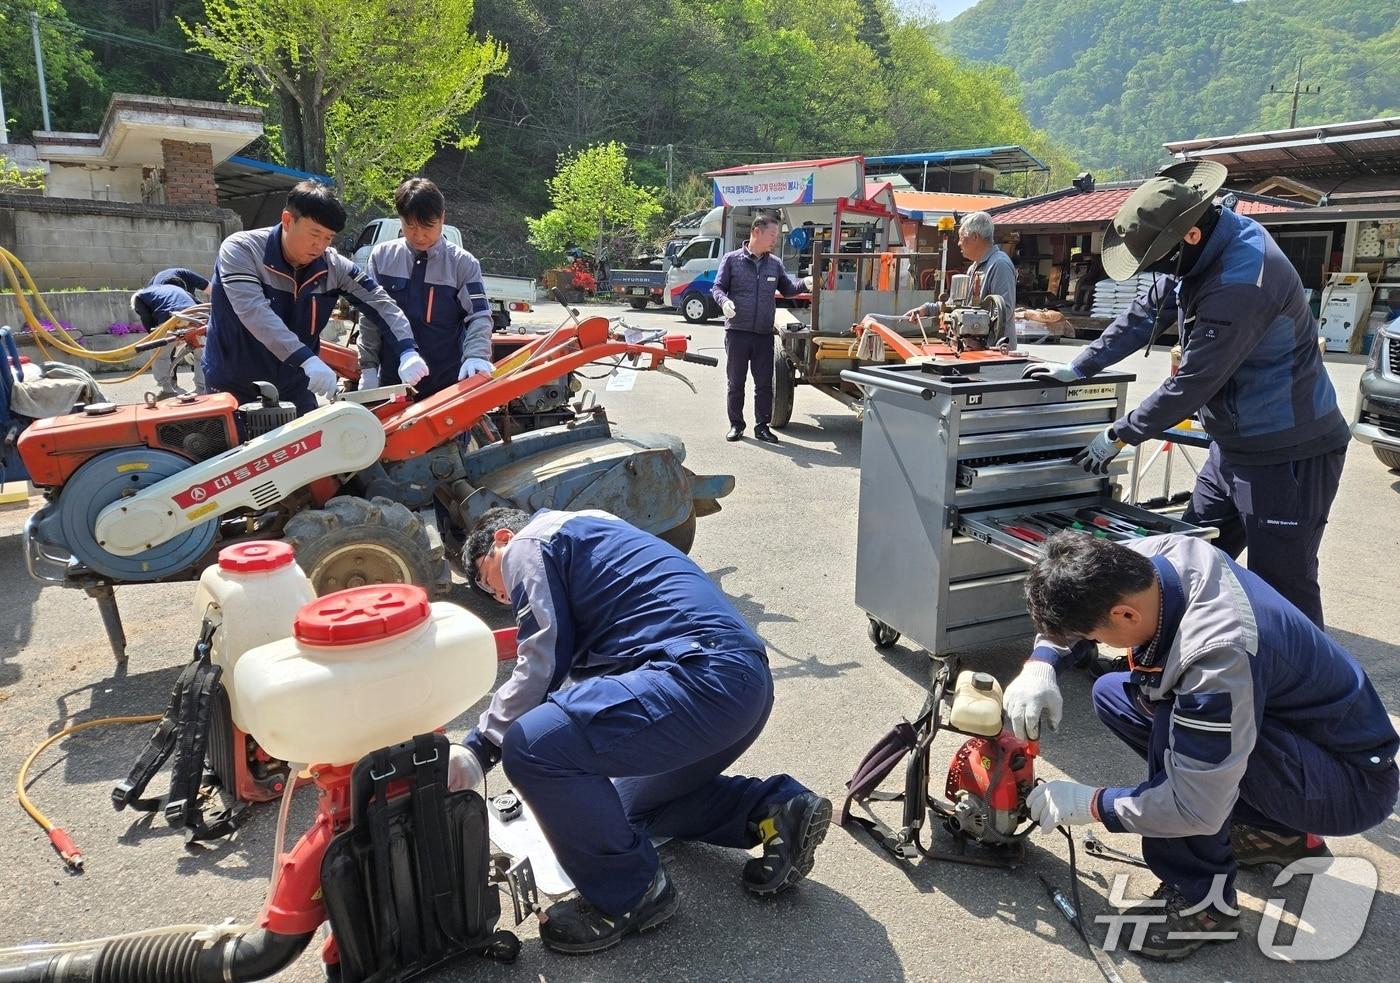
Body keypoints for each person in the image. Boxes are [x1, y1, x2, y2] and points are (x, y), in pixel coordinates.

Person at [1002, 531, 1397, 962]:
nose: (1092, 642)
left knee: (1172, 721)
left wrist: (1093, 804)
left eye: (1093, 634)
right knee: (1115, 694)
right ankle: (1276, 832)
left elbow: (1194, 806)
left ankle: (1202, 905)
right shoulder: (1149, 557)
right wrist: (1041, 662)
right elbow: (1082, 596)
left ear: (1125, 614)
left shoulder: (1216, 659)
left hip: (1347, 786)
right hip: (1309, 743)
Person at [452, 507, 830, 955]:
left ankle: (630, 895)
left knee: (531, 747)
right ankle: (772, 808)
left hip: (699, 678)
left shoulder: (530, 543)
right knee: (630, 810)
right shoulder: (595, 531)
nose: (498, 596)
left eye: (485, 579)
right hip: (741, 685)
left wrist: (480, 747)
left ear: (501, 537)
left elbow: (542, 660)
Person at [1024, 160, 1349, 628]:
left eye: (1159, 261)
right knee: (1191, 555)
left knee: (1283, 581)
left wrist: (1119, 434)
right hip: (1233, 444)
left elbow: (1193, 382)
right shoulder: (1196, 246)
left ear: (1190, 237)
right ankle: (1170, 662)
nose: (1159, 272)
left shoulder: (1241, 281)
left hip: (1287, 450)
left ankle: (1305, 694)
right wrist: (1078, 365)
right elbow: (1142, 316)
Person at [202, 180, 427, 416]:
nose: (319, 246)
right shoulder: (242, 251)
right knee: (237, 452)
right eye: (314, 234)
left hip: (295, 383)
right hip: (234, 384)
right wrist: (306, 360)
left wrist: (407, 349)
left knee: (314, 448)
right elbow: (255, 313)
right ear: (288, 220)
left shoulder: (333, 267)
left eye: (328, 238)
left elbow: (381, 303)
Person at [357, 178, 494, 395]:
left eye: (427, 227)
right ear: (400, 219)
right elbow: (371, 315)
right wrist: (368, 368)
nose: (419, 236)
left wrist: (476, 355)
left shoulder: (463, 264)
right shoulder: (382, 257)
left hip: (448, 383)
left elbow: (479, 316)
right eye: (410, 226)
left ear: (442, 219)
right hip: (394, 381)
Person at [711, 213, 811, 443]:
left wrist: (804, 283)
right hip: (737, 332)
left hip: (764, 334)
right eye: (772, 235)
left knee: (764, 383)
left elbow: (787, 289)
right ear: (757, 231)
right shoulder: (731, 260)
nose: (775, 240)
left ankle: (762, 427)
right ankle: (736, 425)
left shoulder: (774, 264)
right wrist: (724, 302)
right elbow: (717, 288)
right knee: (736, 382)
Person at [903, 210, 1017, 347]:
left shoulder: (1000, 265)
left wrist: (970, 318)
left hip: (994, 351)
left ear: (975, 237)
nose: (958, 243)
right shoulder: (974, 267)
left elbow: (1004, 311)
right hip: (973, 349)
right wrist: (925, 309)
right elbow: (956, 304)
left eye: (962, 237)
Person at [131, 268, 209, 398]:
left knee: (159, 354)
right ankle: (202, 389)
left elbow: (148, 322)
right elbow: (200, 305)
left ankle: (167, 389)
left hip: (170, 316)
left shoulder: (141, 296)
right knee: (200, 354)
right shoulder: (181, 291)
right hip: (194, 315)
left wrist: (154, 336)